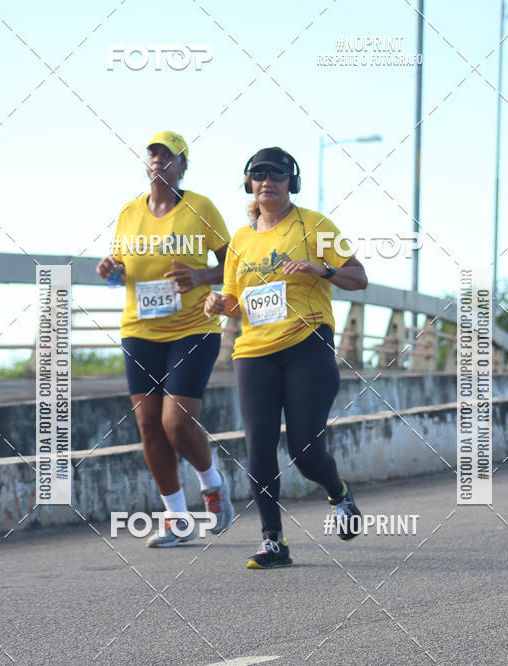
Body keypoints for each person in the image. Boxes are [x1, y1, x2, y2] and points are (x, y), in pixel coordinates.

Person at [204, 146, 368, 569]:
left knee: (305, 452)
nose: (267, 182)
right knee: (258, 448)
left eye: (277, 174)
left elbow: (359, 277)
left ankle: (338, 493)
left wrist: (322, 269)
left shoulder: (314, 224)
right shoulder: (240, 241)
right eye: (259, 174)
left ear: (291, 182)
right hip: (254, 353)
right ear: (249, 183)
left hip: (306, 344)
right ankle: (273, 541)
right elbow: (236, 302)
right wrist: (219, 303)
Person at [97, 131, 234, 547]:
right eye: (153, 154)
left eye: (168, 156)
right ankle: (176, 518)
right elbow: (123, 268)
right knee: (148, 426)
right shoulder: (128, 212)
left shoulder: (201, 208)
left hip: (193, 327)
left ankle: (213, 486)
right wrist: (111, 270)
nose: (159, 161)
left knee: (176, 423)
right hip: (140, 329)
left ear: (183, 165)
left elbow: (234, 263)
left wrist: (201, 276)